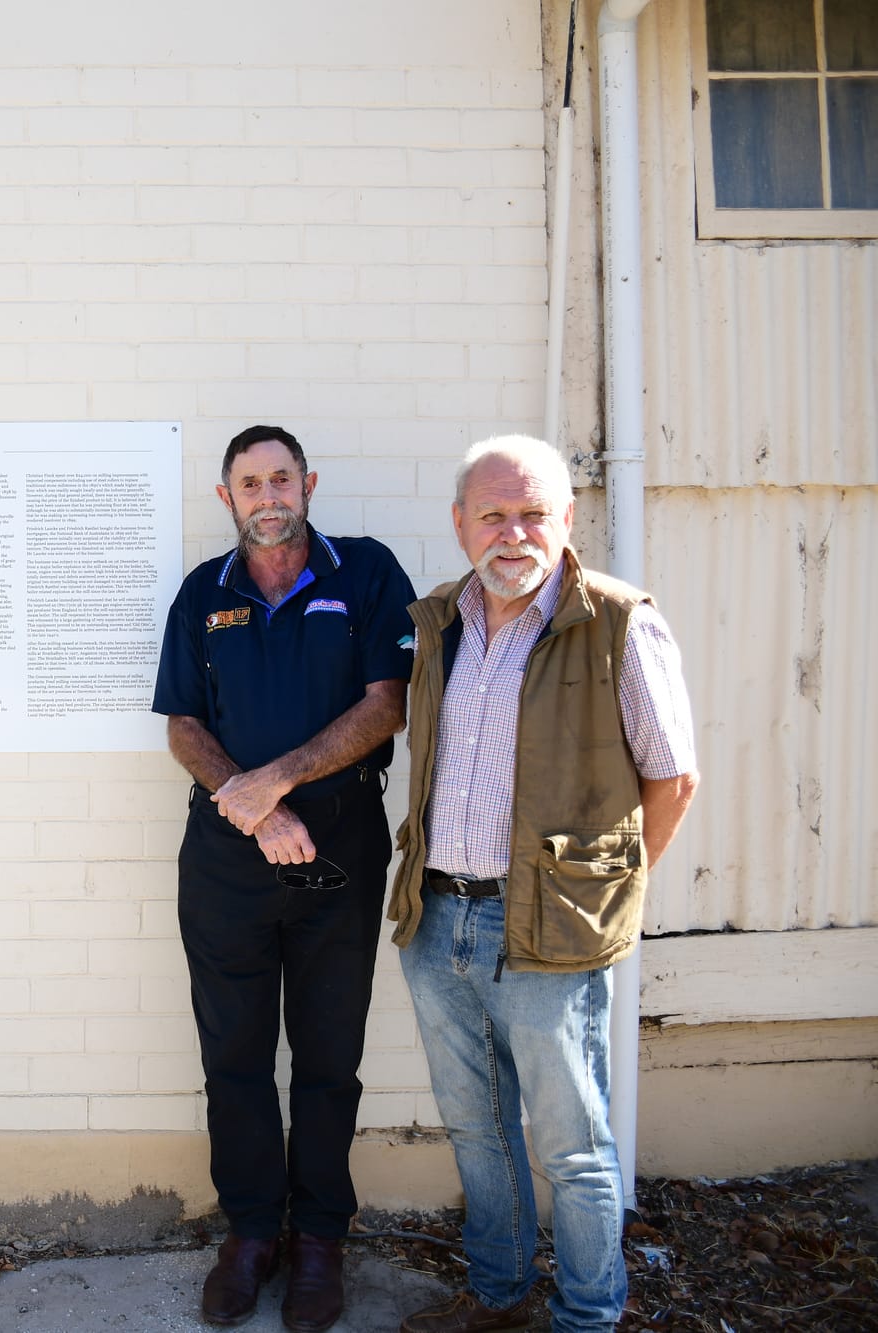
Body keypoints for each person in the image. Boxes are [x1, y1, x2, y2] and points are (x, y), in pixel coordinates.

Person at [390, 436, 698, 1333]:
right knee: (480, 1134)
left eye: (534, 513)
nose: (513, 532)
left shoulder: (614, 620)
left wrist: (608, 893)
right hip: (438, 913)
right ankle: (496, 1295)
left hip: (551, 931)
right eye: (493, 513)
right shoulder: (440, 618)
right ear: (460, 524)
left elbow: (672, 778)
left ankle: (588, 1316)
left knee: (574, 1147)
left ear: (567, 519)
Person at [152, 425, 416, 1332]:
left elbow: (386, 706)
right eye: (249, 483)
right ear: (226, 497)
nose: (268, 495)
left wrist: (281, 781)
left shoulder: (367, 573)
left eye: (281, 478)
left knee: (329, 1054)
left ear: (309, 482)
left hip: (337, 850)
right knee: (234, 1054)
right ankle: (253, 1233)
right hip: (228, 858)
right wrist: (251, 802)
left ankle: (320, 1241)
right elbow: (182, 724)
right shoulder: (203, 592)